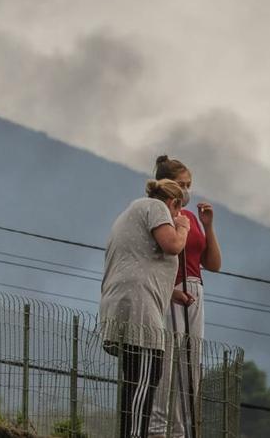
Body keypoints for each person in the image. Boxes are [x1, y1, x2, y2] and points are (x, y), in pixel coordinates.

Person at [100, 179, 191, 438]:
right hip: (140, 308)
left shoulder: (133, 210)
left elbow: (139, 261)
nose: (177, 217)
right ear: (173, 203)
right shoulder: (157, 208)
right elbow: (172, 245)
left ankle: (131, 432)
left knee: (134, 381)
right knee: (146, 377)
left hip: (125, 300)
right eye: (178, 211)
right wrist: (182, 229)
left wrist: (171, 293)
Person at [149, 156, 222, 438]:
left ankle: (182, 431)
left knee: (191, 363)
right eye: (181, 185)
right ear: (167, 185)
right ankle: (157, 430)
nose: (186, 190)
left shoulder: (190, 218)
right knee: (167, 361)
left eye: (189, 185)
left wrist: (208, 225)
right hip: (171, 289)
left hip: (195, 288)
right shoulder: (158, 213)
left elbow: (213, 264)